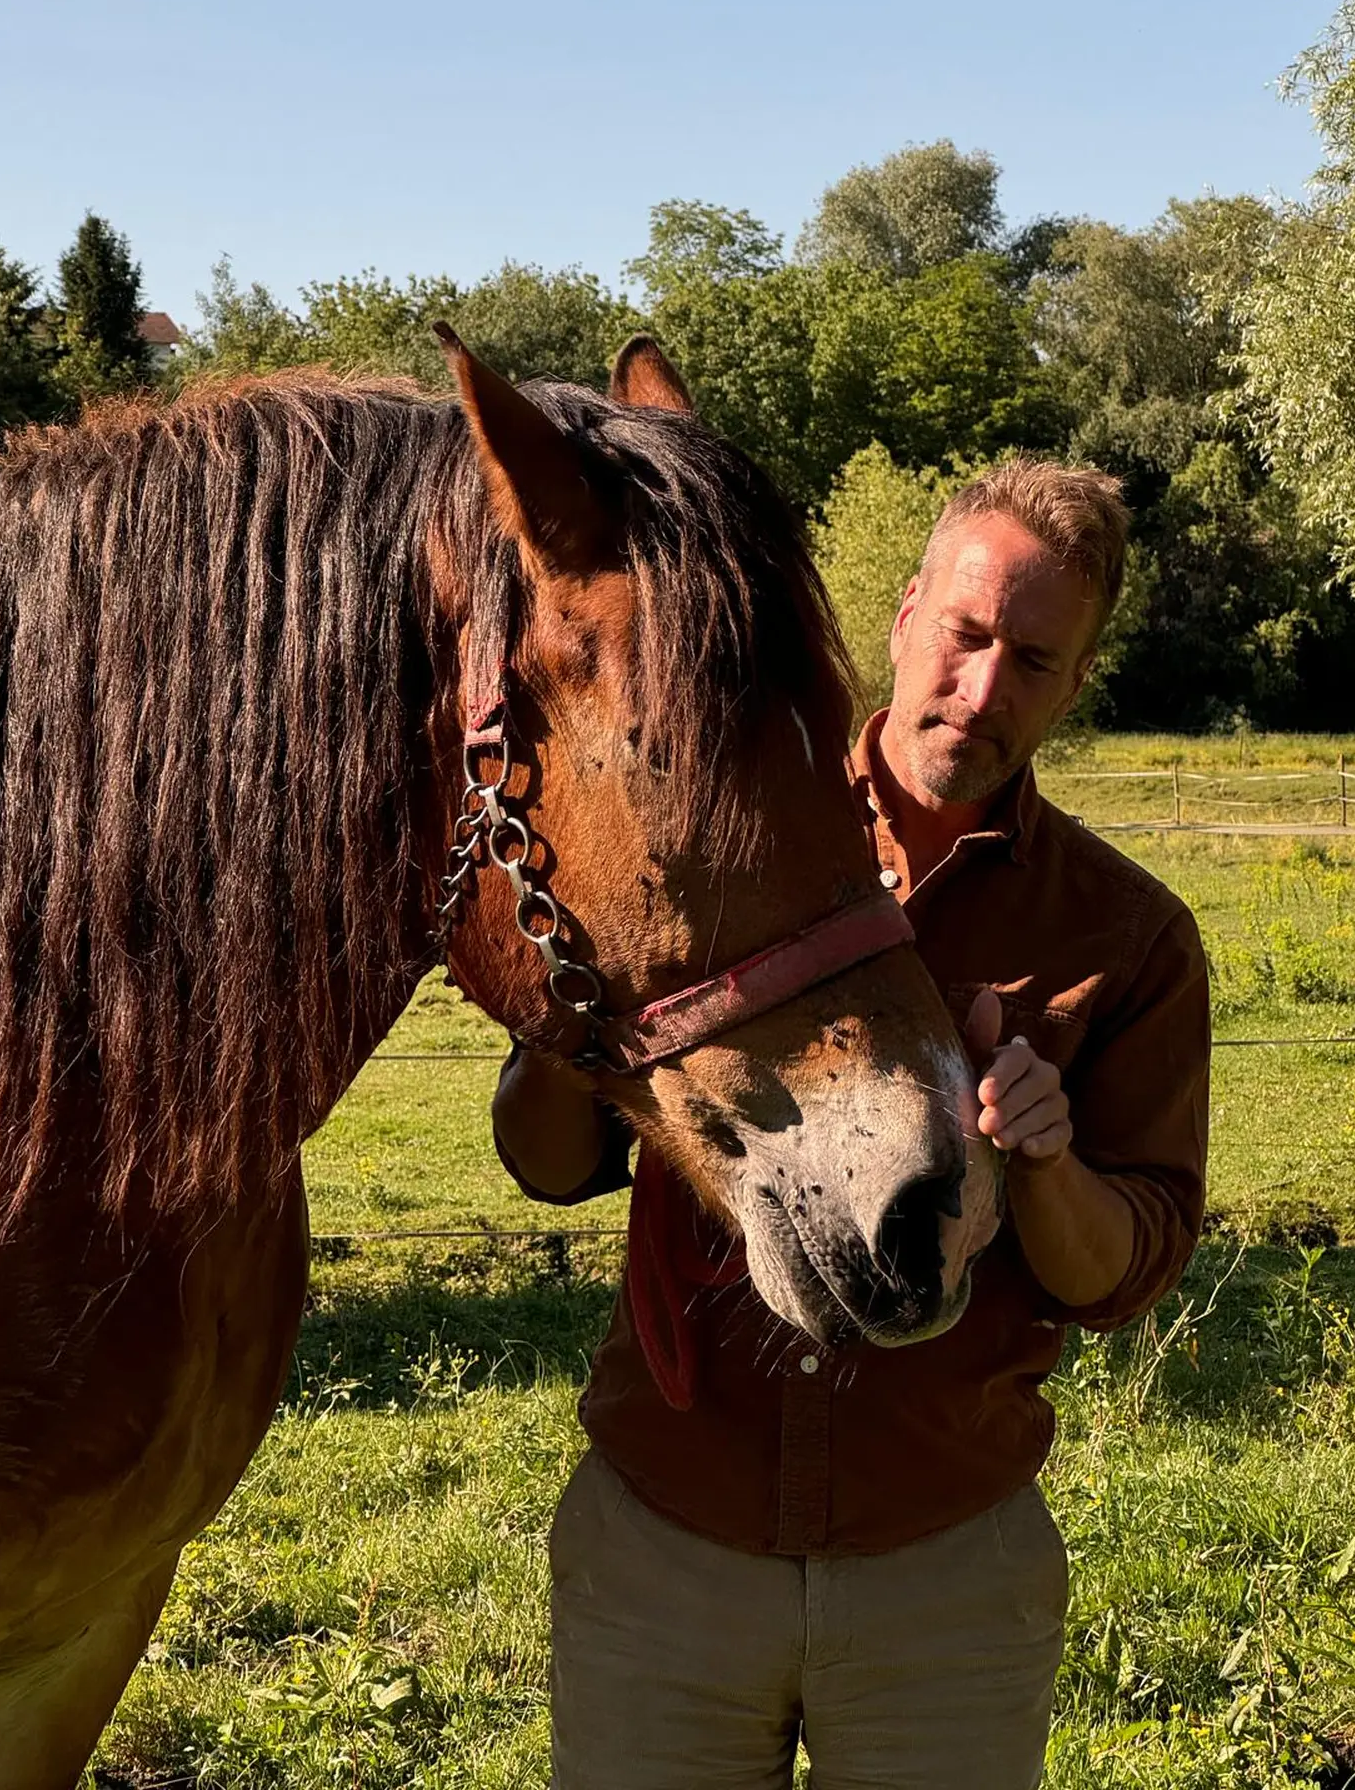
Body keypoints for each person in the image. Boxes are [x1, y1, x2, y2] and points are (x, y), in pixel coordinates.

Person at [493, 458, 1209, 1790]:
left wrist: (1042, 1163)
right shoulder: (723, 820)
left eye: (1038, 663)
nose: (984, 690)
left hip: (942, 1574)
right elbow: (549, 1168)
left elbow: (1130, 1271)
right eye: (969, 634)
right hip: (667, 1547)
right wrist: (568, 1031)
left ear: (1079, 681)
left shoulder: (1127, 938)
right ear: (906, 613)